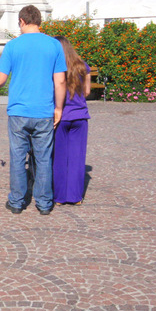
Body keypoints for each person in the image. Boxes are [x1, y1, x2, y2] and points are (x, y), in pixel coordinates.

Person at [0, 5, 66, 215]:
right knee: (43, 158)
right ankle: (44, 203)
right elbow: (60, 82)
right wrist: (58, 107)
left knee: (18, 157)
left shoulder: (13, 46)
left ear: (21, 21)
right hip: (44, 111)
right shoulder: (54, 45)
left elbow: (1, 78)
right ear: (39, 21)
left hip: (19, 111)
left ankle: (17, 201)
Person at [52, 36, 91, 205]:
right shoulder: (83, 66)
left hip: (60, 117)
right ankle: (75, 197)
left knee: (59, 157)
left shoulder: (54, 67)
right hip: (80, 116)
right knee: (77, 157)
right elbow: (87, 91)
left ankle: (59, 197)